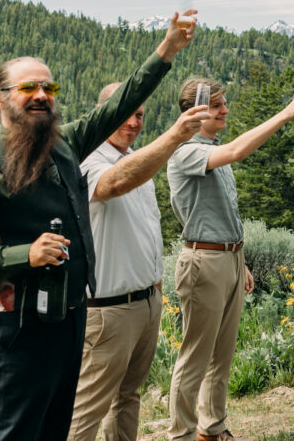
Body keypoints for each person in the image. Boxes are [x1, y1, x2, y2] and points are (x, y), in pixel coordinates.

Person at [0, 12, 195, 441]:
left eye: (48, 87)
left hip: (70, 317)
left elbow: (120, 103)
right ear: (0, 99)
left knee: (55, 427)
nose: (41, 95)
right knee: (12, 433)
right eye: (28, 88)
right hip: (19, 329)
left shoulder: (63, 145)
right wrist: (26, 255)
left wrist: (166, 50)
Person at [166, 78, 294, 441]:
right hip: (203, 263)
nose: (225, 111)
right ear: (195, 111)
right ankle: (180, 434)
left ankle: (211, 428)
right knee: (195, 357)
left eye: (224, 103)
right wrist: (286, 113)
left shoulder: (211, 147)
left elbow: (220, 216)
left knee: (222, 355)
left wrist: (240, 260)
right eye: (217, 105)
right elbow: (236, 152)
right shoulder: (186, 151)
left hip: (228, 260)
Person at [68, 84, 210, 441]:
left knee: (128, 399)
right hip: (108, 311)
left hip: (145, 302)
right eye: (125, 113)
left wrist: (155, 288)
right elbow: (113, 185)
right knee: (87, 409)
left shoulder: (133, 157)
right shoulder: (88, 160)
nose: (133, 122)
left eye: (140, 115)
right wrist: (176, 135)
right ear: (102, 114)